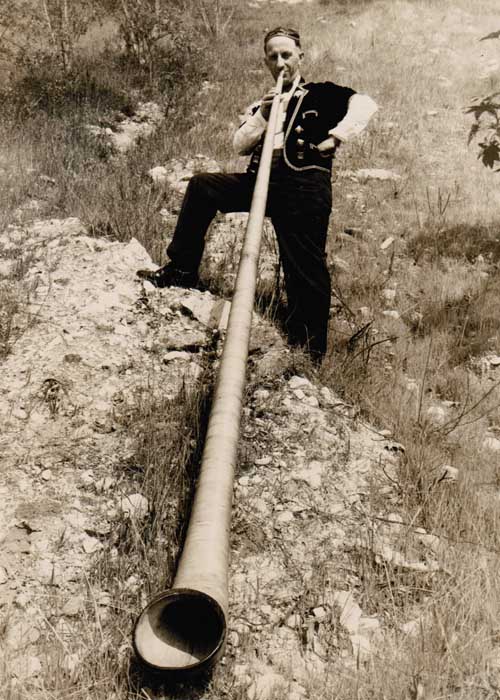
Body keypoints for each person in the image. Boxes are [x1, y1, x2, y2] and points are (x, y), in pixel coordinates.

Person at [138, 27, 377, 360]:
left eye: (287, 55)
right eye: (273, 56)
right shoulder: (262, 103)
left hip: (303, 186)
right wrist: (264, 114)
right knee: (203, 186)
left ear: (300, 57)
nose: (280, 62)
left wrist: (336, 137)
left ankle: (309, 351)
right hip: (261, 183)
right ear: (266, 61)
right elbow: (239, 145)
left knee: (304, 267)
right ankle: (182, 269)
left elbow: (365, 104)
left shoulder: (321, 93)